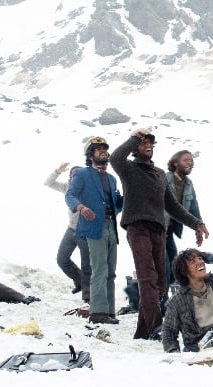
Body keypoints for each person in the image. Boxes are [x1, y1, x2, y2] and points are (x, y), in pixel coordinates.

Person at [110, 128, 209, 340]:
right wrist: (134, 138)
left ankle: (143, 332)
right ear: (136, 148)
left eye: (150, 143)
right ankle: (157, 327)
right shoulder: (129, 168)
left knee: (161, 283)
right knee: (148, 279)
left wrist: (196, 223)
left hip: (158, 230)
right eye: (143, 143)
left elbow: (172, 206)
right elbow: (115, 158)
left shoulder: (159, 175)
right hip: (137, 227)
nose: (148, 145)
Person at [65, 136, 124, 324]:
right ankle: (98, 313)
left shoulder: (112, 179)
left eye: (105, 149)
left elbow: (116, 204)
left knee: (111, 271)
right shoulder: (82, 174)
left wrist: (128, 197)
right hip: (94, 227)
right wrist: (81, 207)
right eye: (99, 149)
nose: (103, 152)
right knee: (100, 269)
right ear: (91, 155)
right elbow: (70, 195)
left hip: (111, 226)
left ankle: (109, 311)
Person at [44, 161, 91, 301]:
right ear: (70, 177)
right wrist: (57, 171)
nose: (75, 177)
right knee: (62, 259)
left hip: (85, 232)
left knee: (87, 265)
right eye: (72, 174)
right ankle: (79, 281)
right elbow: (48, 183)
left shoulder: (89, 189)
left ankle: (88, 295)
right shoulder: (67, 187)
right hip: (70, 230)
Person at [163, 150, 200, 304]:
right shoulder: (164, 178)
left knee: (175, 267)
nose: (190, 162)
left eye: (191, 160)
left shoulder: (189, 184)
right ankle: (162, 304)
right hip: (158, 229)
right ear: (175, 163)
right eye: (186, 160)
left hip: (170, 232)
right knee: (164, 267)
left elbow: (193, 208)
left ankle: (168, 299)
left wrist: (198, 228)